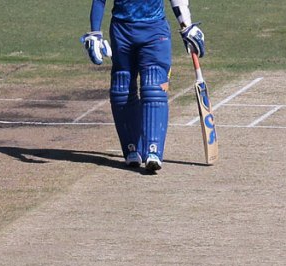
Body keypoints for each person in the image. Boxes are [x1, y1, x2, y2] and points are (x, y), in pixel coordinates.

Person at [80, 0, 207, 174]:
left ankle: (153, 151)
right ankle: (132, 149)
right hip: (121, 30)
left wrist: (186, 25)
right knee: (121, 88)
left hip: (154, 30)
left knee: (154, 88)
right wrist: (95, 32)